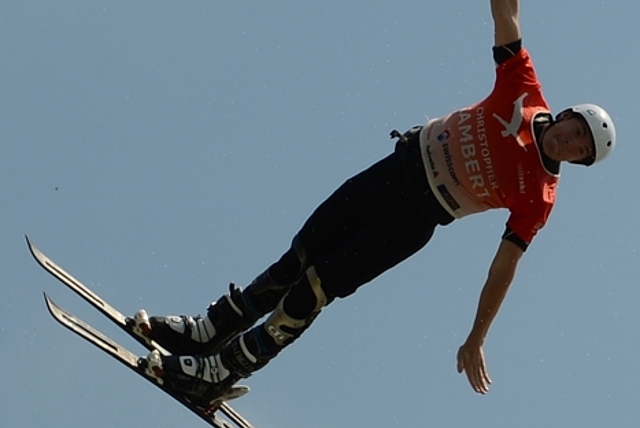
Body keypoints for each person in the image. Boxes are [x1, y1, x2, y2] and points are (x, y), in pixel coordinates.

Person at [137, 0, 616, 405]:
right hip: (394, 171)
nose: (571, 144)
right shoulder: (524, 89)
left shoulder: (541, 196)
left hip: (415, 218)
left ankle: (221, 370)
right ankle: (209, 330)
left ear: (579, 162)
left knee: (312, 291)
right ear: (568, 114)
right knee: (294, 260)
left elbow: (504, 267)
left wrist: (477, 335)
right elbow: (505, 13)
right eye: (576, 132)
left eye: (581, 150)